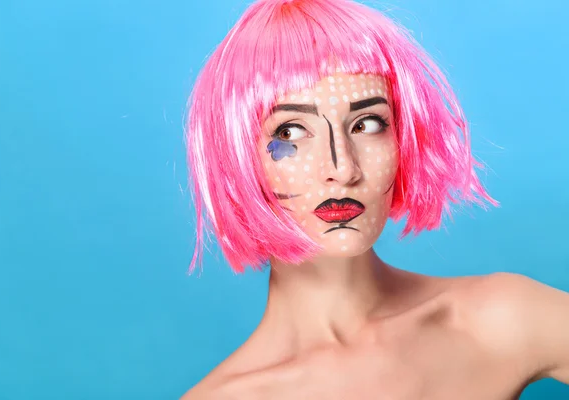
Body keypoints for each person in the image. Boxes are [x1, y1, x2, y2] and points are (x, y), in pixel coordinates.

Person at [182, 0, 569, 398]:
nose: (343, 168)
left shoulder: (497, 320)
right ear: (236, 156)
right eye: (290, 133)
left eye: (367, 124)